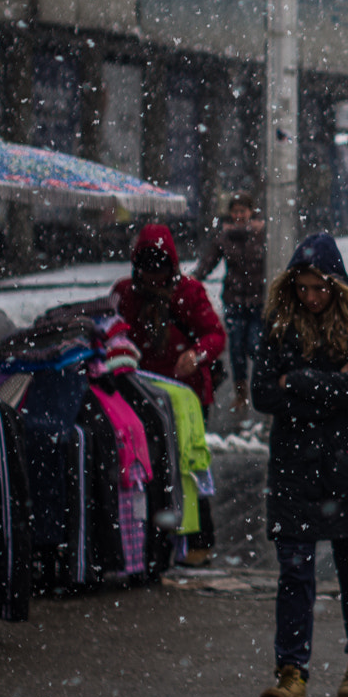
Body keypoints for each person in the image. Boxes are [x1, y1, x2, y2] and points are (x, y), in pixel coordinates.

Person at [251, 233, 348, 697]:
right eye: (303, 288)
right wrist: (323, 385)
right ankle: (291, 678)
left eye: (320, 288)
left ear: (336, 286)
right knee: (294, 572)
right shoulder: (276, 327)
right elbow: (262, 395)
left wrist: (298, 379)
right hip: (293, 467)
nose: (311, 297)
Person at [113, 223, 227, 566]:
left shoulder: (190, 293)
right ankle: (156, 541)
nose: (153, 276)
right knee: (150, 467)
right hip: (142, 395)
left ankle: (198, 542)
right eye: (146, 268)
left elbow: (214, 336)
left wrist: (197, 356)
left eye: (160, 268)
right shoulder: (124, 293)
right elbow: (113, 332)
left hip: (186, 396)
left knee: (187, 466)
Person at [191, 192, 266, 416]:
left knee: (255, 346)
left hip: (258, 301)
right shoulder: (224, 237)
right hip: (234, 301)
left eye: (243, 211)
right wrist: (193, 280)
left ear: (251, 212)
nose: (239, 215)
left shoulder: (262, 235)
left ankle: (262, 389)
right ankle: (241, 394)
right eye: (235, 211)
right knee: (235, 350)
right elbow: (208, 263)